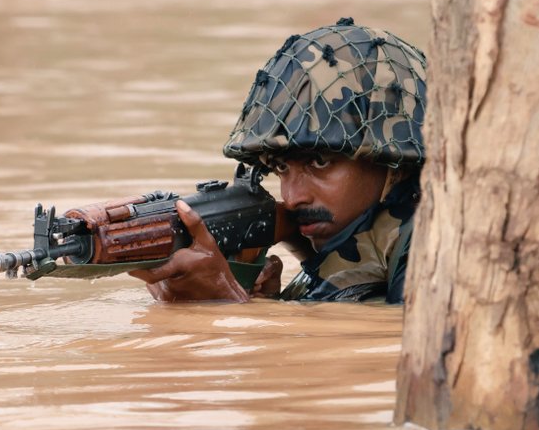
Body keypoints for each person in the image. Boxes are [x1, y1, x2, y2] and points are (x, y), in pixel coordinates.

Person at [129, 18, 426, 304]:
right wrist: (267, 297)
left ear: (394, 164)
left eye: (320, 162)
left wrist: (221, 299)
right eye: (280, 168)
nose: (292, 197)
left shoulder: (436, 241)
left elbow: (398, 345)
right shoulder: (373, 238)